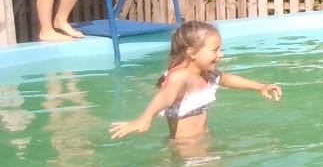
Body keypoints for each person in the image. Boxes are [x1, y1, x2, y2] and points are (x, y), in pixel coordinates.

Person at [108, 21, 282, 141]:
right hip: (184, 147)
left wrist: (260, 87)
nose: (220, 54)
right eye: (215, 50)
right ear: (192, 53)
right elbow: (166, 96)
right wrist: (144, 118)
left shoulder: (206, 74)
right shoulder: (180, 76)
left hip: (203, 140)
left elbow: (227, 79)